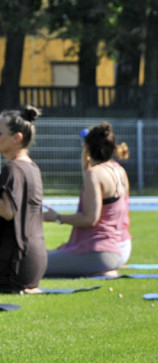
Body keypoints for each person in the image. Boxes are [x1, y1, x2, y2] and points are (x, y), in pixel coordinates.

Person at [43, 123, 132, 277]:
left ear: (88, 149)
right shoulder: (119, 170)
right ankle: (103, 269)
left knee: (32, 264)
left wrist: (56, 218)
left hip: (98, 251)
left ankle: (101, 268)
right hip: (115, 250)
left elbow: (90, 218)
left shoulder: (95, 174)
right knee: (51, 255)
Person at [0, 106, 46, 293]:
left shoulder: (12, 169)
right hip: (32, 262)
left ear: (17, 138)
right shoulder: (32, 167)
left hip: (15, 265)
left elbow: (7, 211)